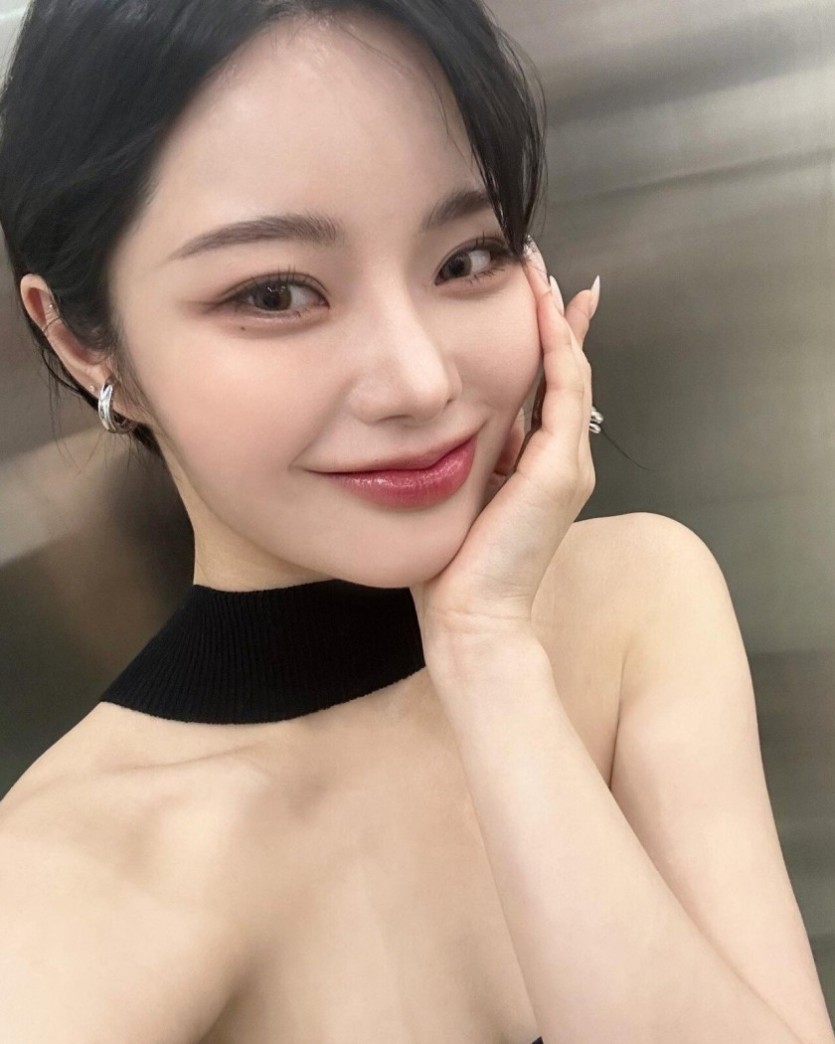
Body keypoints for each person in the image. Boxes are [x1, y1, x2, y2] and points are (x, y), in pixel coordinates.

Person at [1, 1, 832, 1042]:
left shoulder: (634, 604)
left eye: (466, 259)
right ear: (84, 340)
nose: (418, 380)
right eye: (275, 294)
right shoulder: (62, 891)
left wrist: (487, 656)